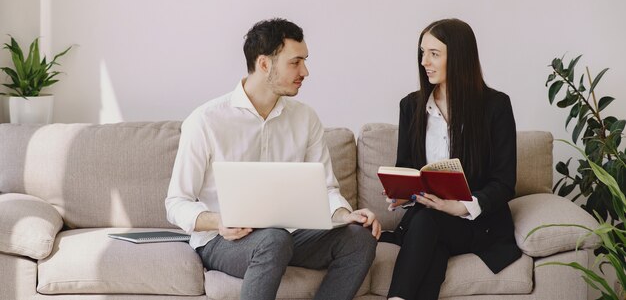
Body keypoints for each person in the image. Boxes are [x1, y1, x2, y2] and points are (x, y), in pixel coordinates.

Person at [165, 18, 381, 300]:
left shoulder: (305, 118)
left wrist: (345, 214)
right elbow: (176, 203)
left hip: (291, 235)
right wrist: (219, 221)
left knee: (359, 239)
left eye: (305, 61)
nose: (305, 71)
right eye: (296, 62)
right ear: (264, 64)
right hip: (224, 241)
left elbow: (327, 189)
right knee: (273, 239)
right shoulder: (206, 121)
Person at [381, 18, 522, 300]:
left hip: (474, 222)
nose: (424, 61)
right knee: (430, 236)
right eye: (422, 52)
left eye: (434, 53)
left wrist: (460, 207)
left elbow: (504, 182)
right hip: (429, 220)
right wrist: (401, 194)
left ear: (458, 57)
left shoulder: (496, 106)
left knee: (427, 223)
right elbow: (406, 166)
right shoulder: (411, 106)